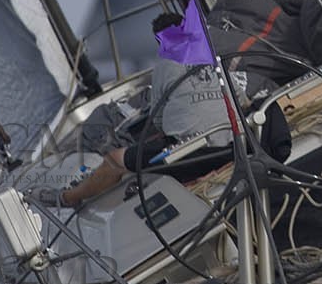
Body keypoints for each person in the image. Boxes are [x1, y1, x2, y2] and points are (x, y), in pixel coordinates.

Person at [54, 13, 268, 207]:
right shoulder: (211, 56)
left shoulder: (164, 67)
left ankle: (69, 197)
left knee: (115, 160)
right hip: (236, 142)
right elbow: (241, 99)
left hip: (195, 154)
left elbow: (157, 121)